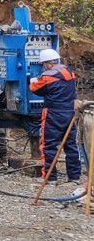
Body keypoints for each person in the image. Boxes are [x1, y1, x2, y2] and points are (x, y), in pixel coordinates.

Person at [29, 48, 81, 185]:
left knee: (48, 146)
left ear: (48, 63)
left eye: (43, 64)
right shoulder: (69, 72)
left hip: (53, 114)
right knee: (71, 145)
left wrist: (33, 79)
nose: (43, 67)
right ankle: (74, 176)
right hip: (70, 113)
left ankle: (50, 178)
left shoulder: (47, 77)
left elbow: (34, 88)